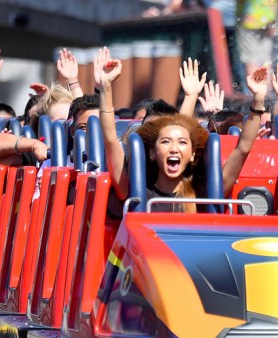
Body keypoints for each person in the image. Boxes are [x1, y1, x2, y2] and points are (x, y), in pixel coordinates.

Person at [94, 47, 268, 213]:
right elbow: (110, 138)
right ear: (153, 152)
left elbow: (243, 148)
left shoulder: (204, 191)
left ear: (192, 153)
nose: (174, 148)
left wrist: (258, 100)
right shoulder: (137, 189)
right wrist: (106, 88)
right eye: (165, 141)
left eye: (182, 142)